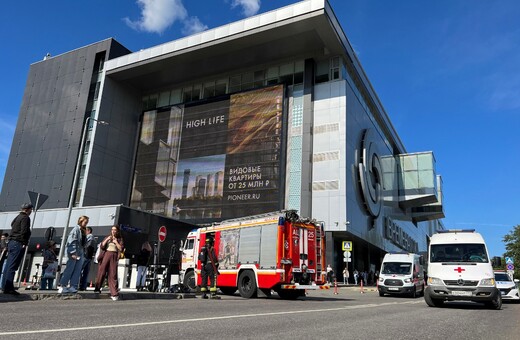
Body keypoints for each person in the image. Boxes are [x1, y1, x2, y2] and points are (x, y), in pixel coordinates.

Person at [1, 203, 33, 295]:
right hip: (18, 243)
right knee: (13, 266)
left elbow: (12, 225)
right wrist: (24, 242)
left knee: (8, 266)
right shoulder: (25, 218)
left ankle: (4, 286)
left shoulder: (17, 217)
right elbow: (24, 230)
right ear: (27, 209)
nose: (31, 211)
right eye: (31, 209)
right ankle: (9, 288)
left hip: (11, 242)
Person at [58, 215, 89, 294]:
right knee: (70, 268)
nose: (86, 224)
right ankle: (63, 285)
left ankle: (73, 286)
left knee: (77, 270)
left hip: (80, 251)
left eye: (87, 222)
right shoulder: (76, 229)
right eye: (85, 222)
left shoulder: (83, 230)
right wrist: (72, 252)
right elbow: (72, 241)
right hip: (74, 251)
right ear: (81, 221)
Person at [94, 225, 124, 301]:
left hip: (114, 255)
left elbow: (121, 248)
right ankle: (97, 288)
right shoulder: (108, 237)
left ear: (117, 231)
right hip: (106, 254)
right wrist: (107, 239)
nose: (113, 231)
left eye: (115, 230)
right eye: (112, 230)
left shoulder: (119, 239)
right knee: (102, 272)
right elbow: (102, 246)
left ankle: (114, 293)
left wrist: (116, 242)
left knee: (113, 274)